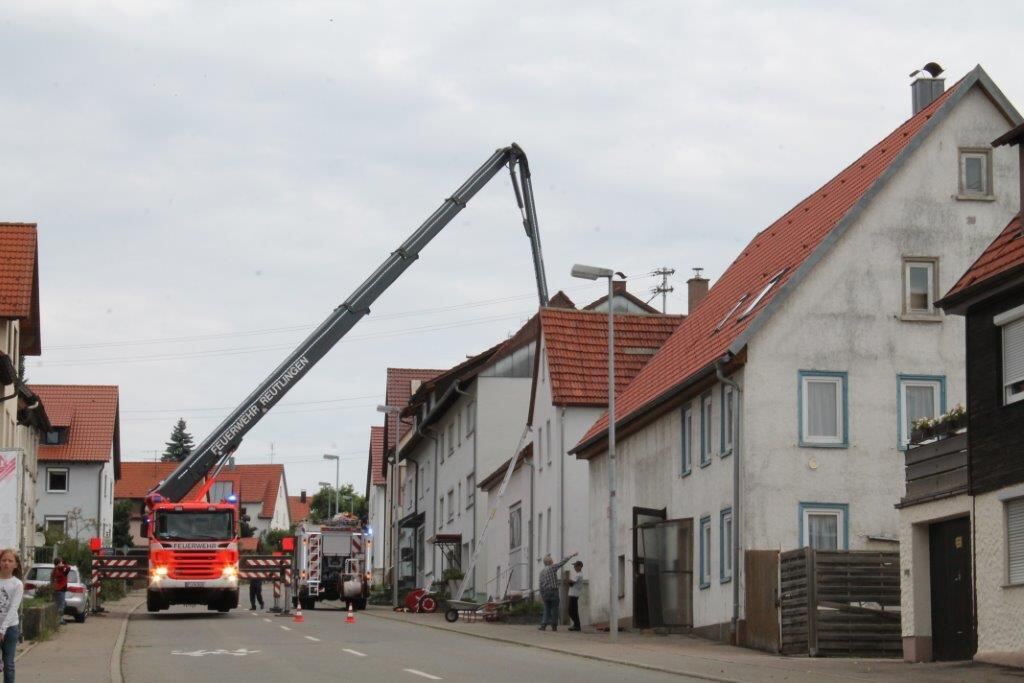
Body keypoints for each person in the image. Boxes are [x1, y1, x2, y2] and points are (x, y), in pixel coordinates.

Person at [0, 548, 24, 683]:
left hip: (10, 629)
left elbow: (13, 608)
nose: (6, 563)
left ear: (15, 564)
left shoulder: (17, 584)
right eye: (4, 560)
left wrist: (3, 629)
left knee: (8, 664)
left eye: (10, 561)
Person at [538, 551, 577, 632]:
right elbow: (562, 562)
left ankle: (543, 625)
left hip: (545, 592)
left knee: (546, 608)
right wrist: (571, 555)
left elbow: (540, 584)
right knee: (554, 609)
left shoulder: (541, 572)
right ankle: (554, 626)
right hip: (553, 591)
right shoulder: (552, 567)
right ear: (550, 562)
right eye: (552, 560)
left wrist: (542, 595)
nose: (553, 561)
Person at [50, 557, 71, 626]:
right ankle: (59, 620)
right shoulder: (60, 570)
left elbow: (52, 579)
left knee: (62, 604)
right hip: (60, 589)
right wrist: (64, 565)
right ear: (59, 563)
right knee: (61, 605)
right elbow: (68, 568)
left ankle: (58, 619)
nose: (62, 564)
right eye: (61, 562)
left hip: (58, 589)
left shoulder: (55, 570)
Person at [567, 560, 583, 631]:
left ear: (580, 566)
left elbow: (572, 582)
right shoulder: (577, 574)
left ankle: (577, 625)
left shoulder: (578, 574)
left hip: (574, 594)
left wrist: (569, 580)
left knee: (571, 610)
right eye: (574, 566)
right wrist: (569, 581)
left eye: (576, 566)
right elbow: (571, 582)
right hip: (573, 594)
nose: (574, 567)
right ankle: (576, 625)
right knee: (573, 610)